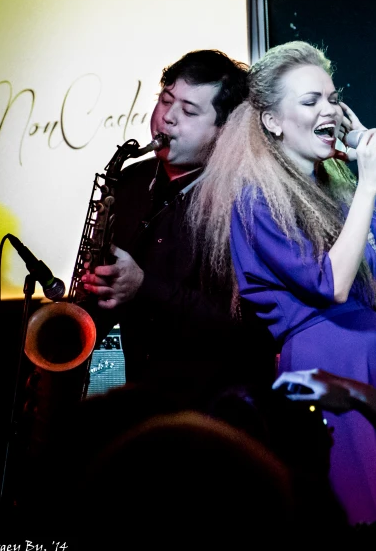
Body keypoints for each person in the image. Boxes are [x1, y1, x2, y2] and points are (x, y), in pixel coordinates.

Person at [187, 40, 376, 525]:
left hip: (370, 355)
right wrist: (370, 185)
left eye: (332, 98)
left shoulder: (337, 189)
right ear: (272, 121)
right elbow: (331, 284)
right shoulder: (256, 200)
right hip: (324, 361)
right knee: (358, 509)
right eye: (310, 101)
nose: (328, 110)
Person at [79, 48, 276, 412]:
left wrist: (143, 287)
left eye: (188, 111)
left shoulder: (246, 199)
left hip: (220, 408)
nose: (167, 118)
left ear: (224, 129)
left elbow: (247, 326)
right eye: (165, 100)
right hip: (144, 397)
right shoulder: (129, 183)